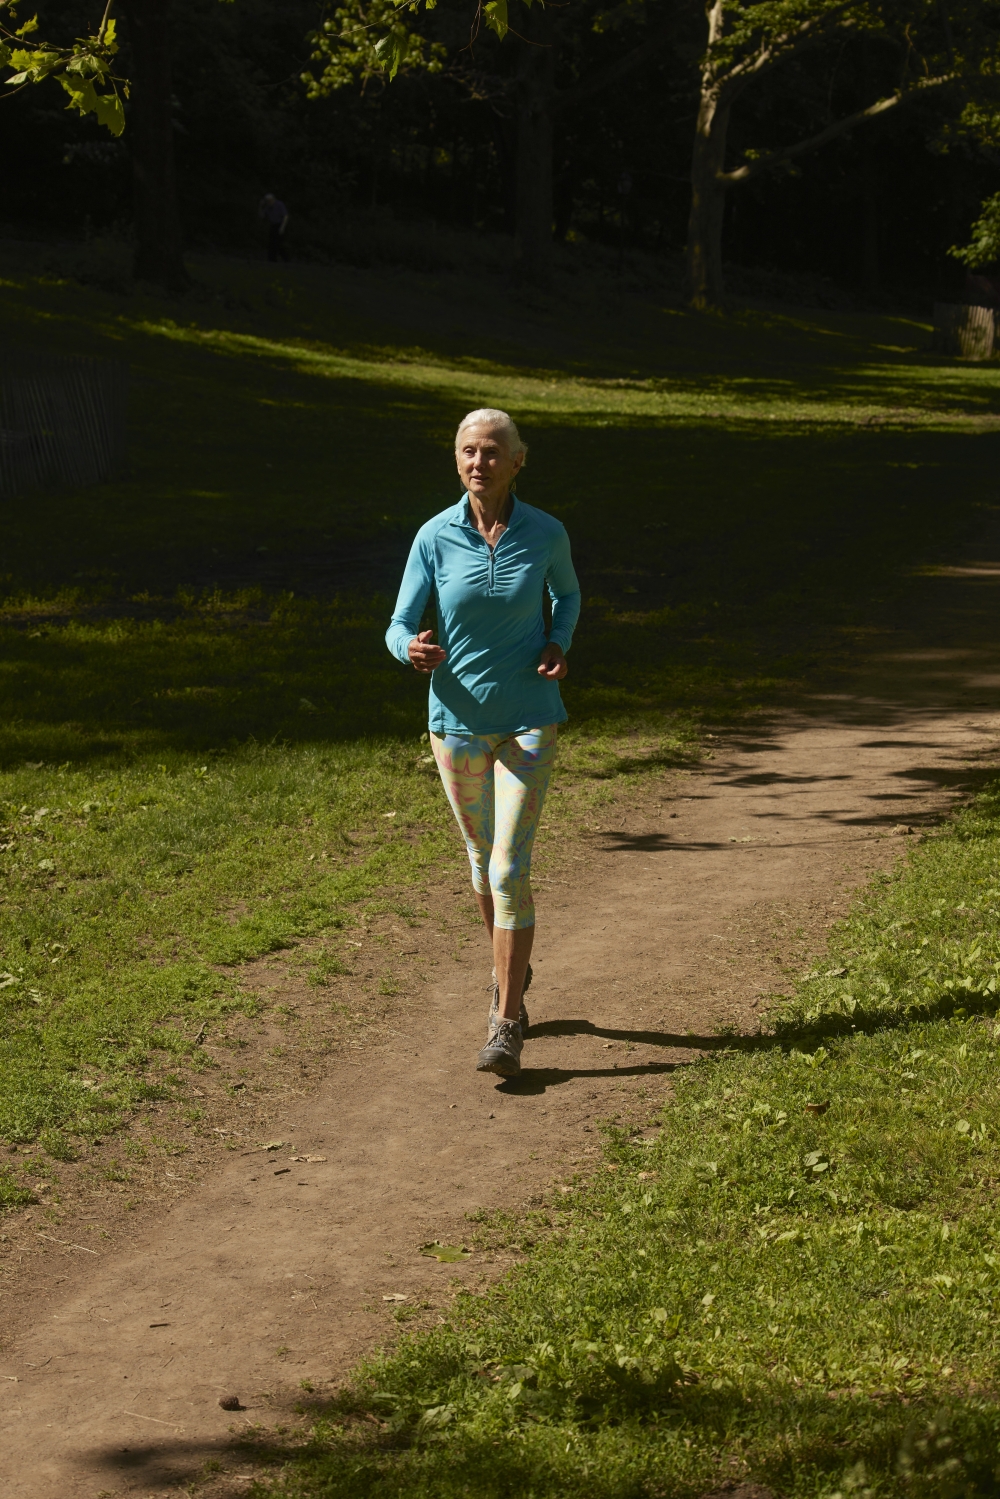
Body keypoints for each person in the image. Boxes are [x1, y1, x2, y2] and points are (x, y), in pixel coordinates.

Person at [386, 409, 581, 1079]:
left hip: (529, 718)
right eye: (468, 450)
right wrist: (407, 648)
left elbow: (569, 594)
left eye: (493, 451)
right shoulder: (434, 537)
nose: (480, 462)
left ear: (517, 460)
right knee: (479, 861)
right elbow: (399, 620)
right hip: (456, 724)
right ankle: (512, 969)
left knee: (507, 868)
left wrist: (560, 641)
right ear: (456, 459)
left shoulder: (546, 532)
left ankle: (504, 1016)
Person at [258, 193, 290, 263]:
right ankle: (272, 260)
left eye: (270, 200)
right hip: (273, 225)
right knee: (272, 243)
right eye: (267, 201)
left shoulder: (279, 204)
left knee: (279, 243)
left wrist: (282, 227)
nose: (269, 202)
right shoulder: (268, 207)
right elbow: (262, 216)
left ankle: (286, 260)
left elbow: (285, 216)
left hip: (280, 224)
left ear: (273, 199)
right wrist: (260, 206)